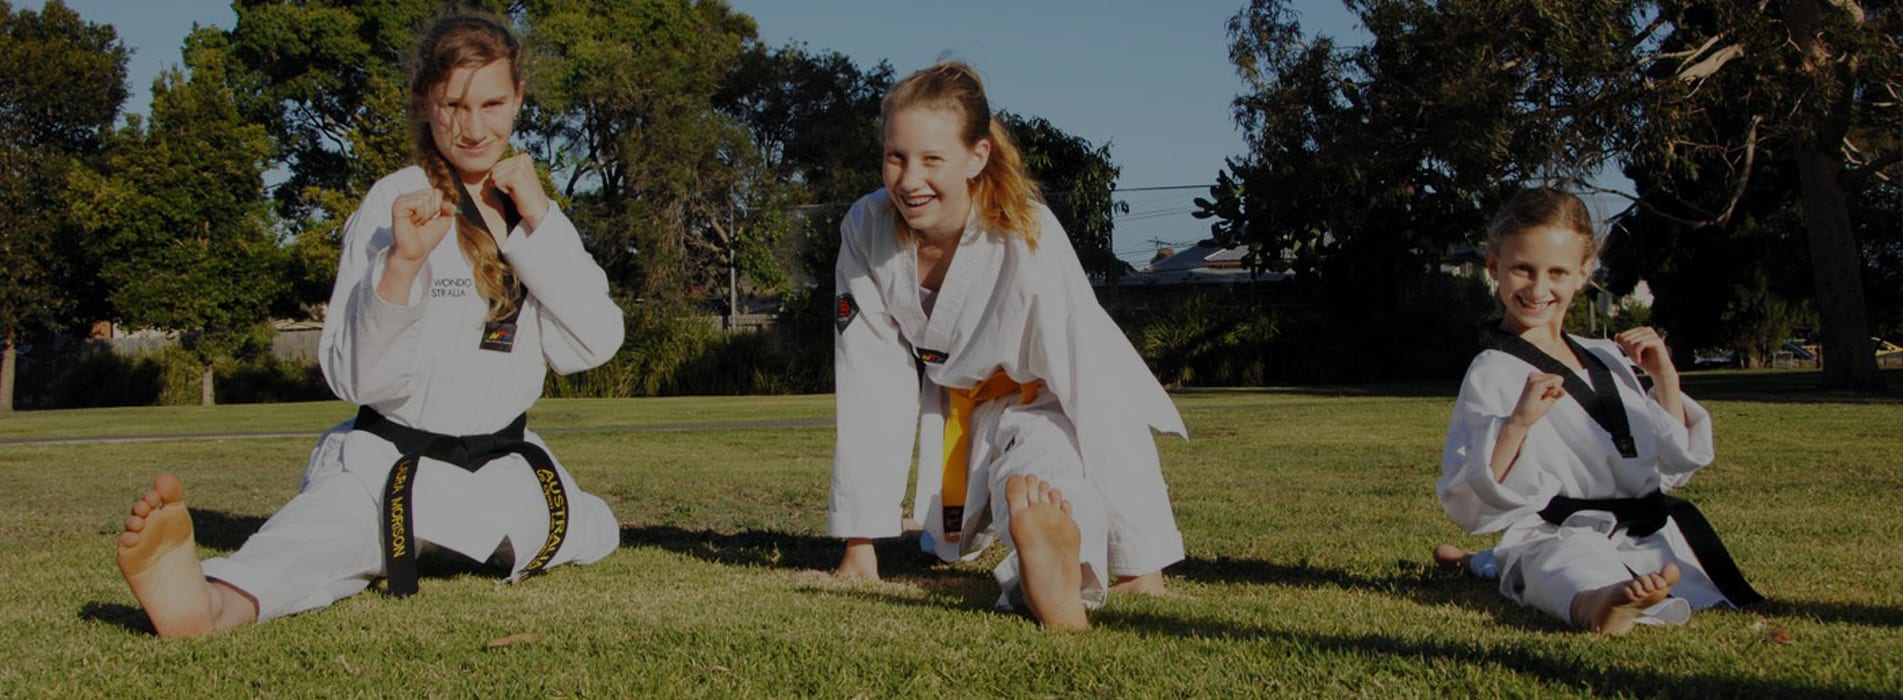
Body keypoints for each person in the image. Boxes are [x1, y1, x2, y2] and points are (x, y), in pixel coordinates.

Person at [114, 12, 624, 637]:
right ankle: (212, 602)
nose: (473, 126)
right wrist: (402, 265)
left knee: (596, 527)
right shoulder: (396, 202)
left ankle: (453, 540)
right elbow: (359, 377)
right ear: (423, 102)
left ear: (519, 99)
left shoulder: (531, 208)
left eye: (493, 104)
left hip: (504, 465)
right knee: (321, 541)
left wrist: (541, 224)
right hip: (393, 462)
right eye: (454, 105)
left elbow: (595, 343)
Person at [823, 61, 1186, 630]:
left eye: (931, 159)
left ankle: (1058, 581)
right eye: (896, 157)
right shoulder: (866, 228)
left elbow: (1091, 377)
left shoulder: (1026, 232)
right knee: (1015, 490)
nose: (909, 179)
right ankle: (1044, 556)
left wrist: (1142, 560)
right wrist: (859, 545)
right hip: (958, 412)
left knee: (1040, 481)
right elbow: (870, 379)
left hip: (1045, 400)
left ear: (977, 155)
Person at [1437, 188, 1762, 636]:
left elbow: (1669, 465)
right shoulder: (1493, 369)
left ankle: (1472, 562)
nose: (1538, 288)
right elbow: (1471, 497)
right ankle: (1598, 605)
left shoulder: (1607, 356)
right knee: (1559, 566)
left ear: (1583, 273)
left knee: (1675, 571)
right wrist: (1518, 424)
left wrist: (1665, 379)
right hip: (1560, 533)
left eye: (1557, 272)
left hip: (1644, 533)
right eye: (1522, 270)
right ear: (1494, 266)